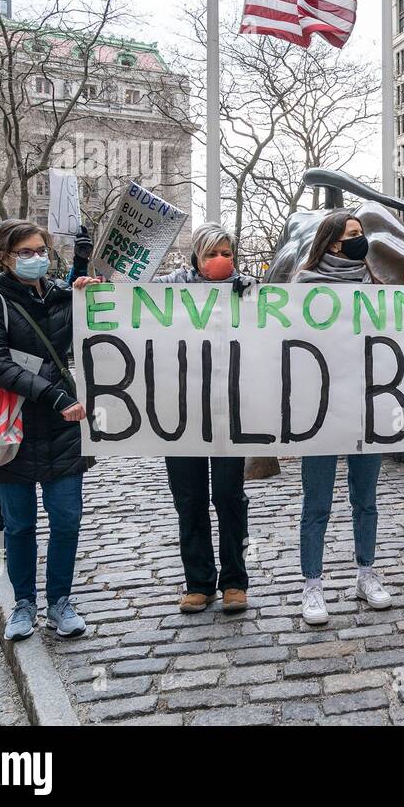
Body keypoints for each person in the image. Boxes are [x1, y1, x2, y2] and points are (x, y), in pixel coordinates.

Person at [0, 220, 100, 641]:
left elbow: (95, 326)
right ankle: (23, 603)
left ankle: (60, 602)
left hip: (62, 428)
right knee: (19, 524)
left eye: (41, 249)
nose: (35, 257)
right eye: (25, 251)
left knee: (67, 520)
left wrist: (84, 272)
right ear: (5, 256)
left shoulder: (62, 296)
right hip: (12, 426)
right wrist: (56, 396)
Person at [292, 211, 390, 622]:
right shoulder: (301, 287)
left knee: (365, 500)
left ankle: (365, 573)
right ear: (332, 243)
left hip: (365, 407)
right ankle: (312, 585)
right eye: (353, 235)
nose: (360, 240)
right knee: (318, 503)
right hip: (320, 411)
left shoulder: (374, 287)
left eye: (362, 234)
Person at [153, 223, 255, 615]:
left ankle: (234, 582)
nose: (220, 260)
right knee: (189, 498)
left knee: (229, 498)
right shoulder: (170, 287)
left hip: (229, 412)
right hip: (180, 413)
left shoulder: (249, 290)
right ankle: (198, 582)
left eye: (227, 253)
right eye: (212, 253)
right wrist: (88, 282)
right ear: (197, 256)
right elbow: (124, 292)